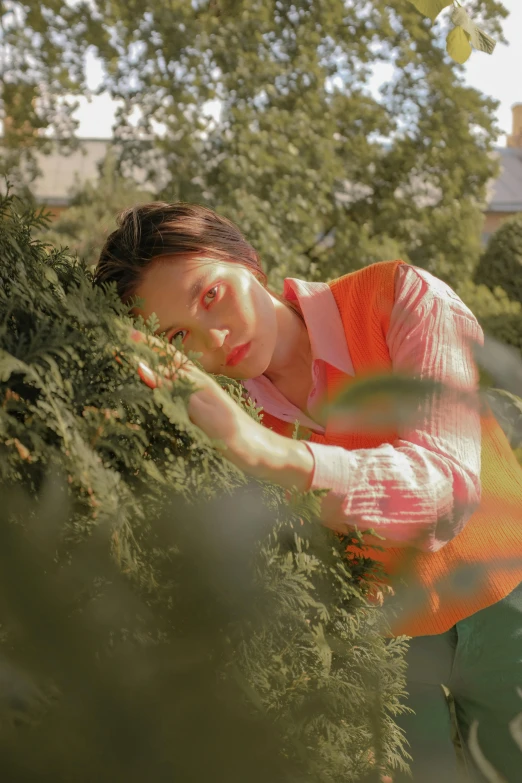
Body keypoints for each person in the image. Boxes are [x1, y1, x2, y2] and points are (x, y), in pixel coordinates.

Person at [93, 202, 522, 783]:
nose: (214, 338)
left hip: (507, 601)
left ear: (248, 261)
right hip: (392, 649)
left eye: (211, 296)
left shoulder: (402, 297)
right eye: (177, 336)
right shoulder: (226, 420)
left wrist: (268, 454)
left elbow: (448, 489)